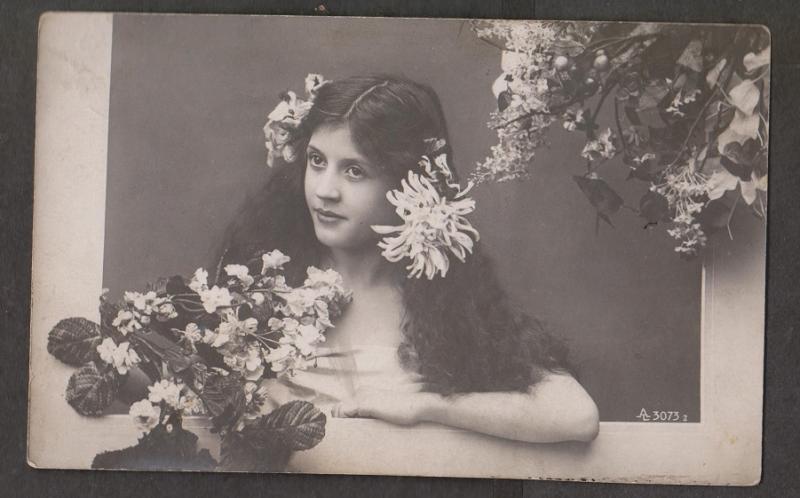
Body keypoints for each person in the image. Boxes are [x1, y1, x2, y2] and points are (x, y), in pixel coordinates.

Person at [215, 74, 599, 444]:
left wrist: (426, 406)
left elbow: (576, 416)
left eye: (354, 170)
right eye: (316, 161)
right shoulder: (263, 285)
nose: (324, 190)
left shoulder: (442, 302)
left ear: (408, 182)